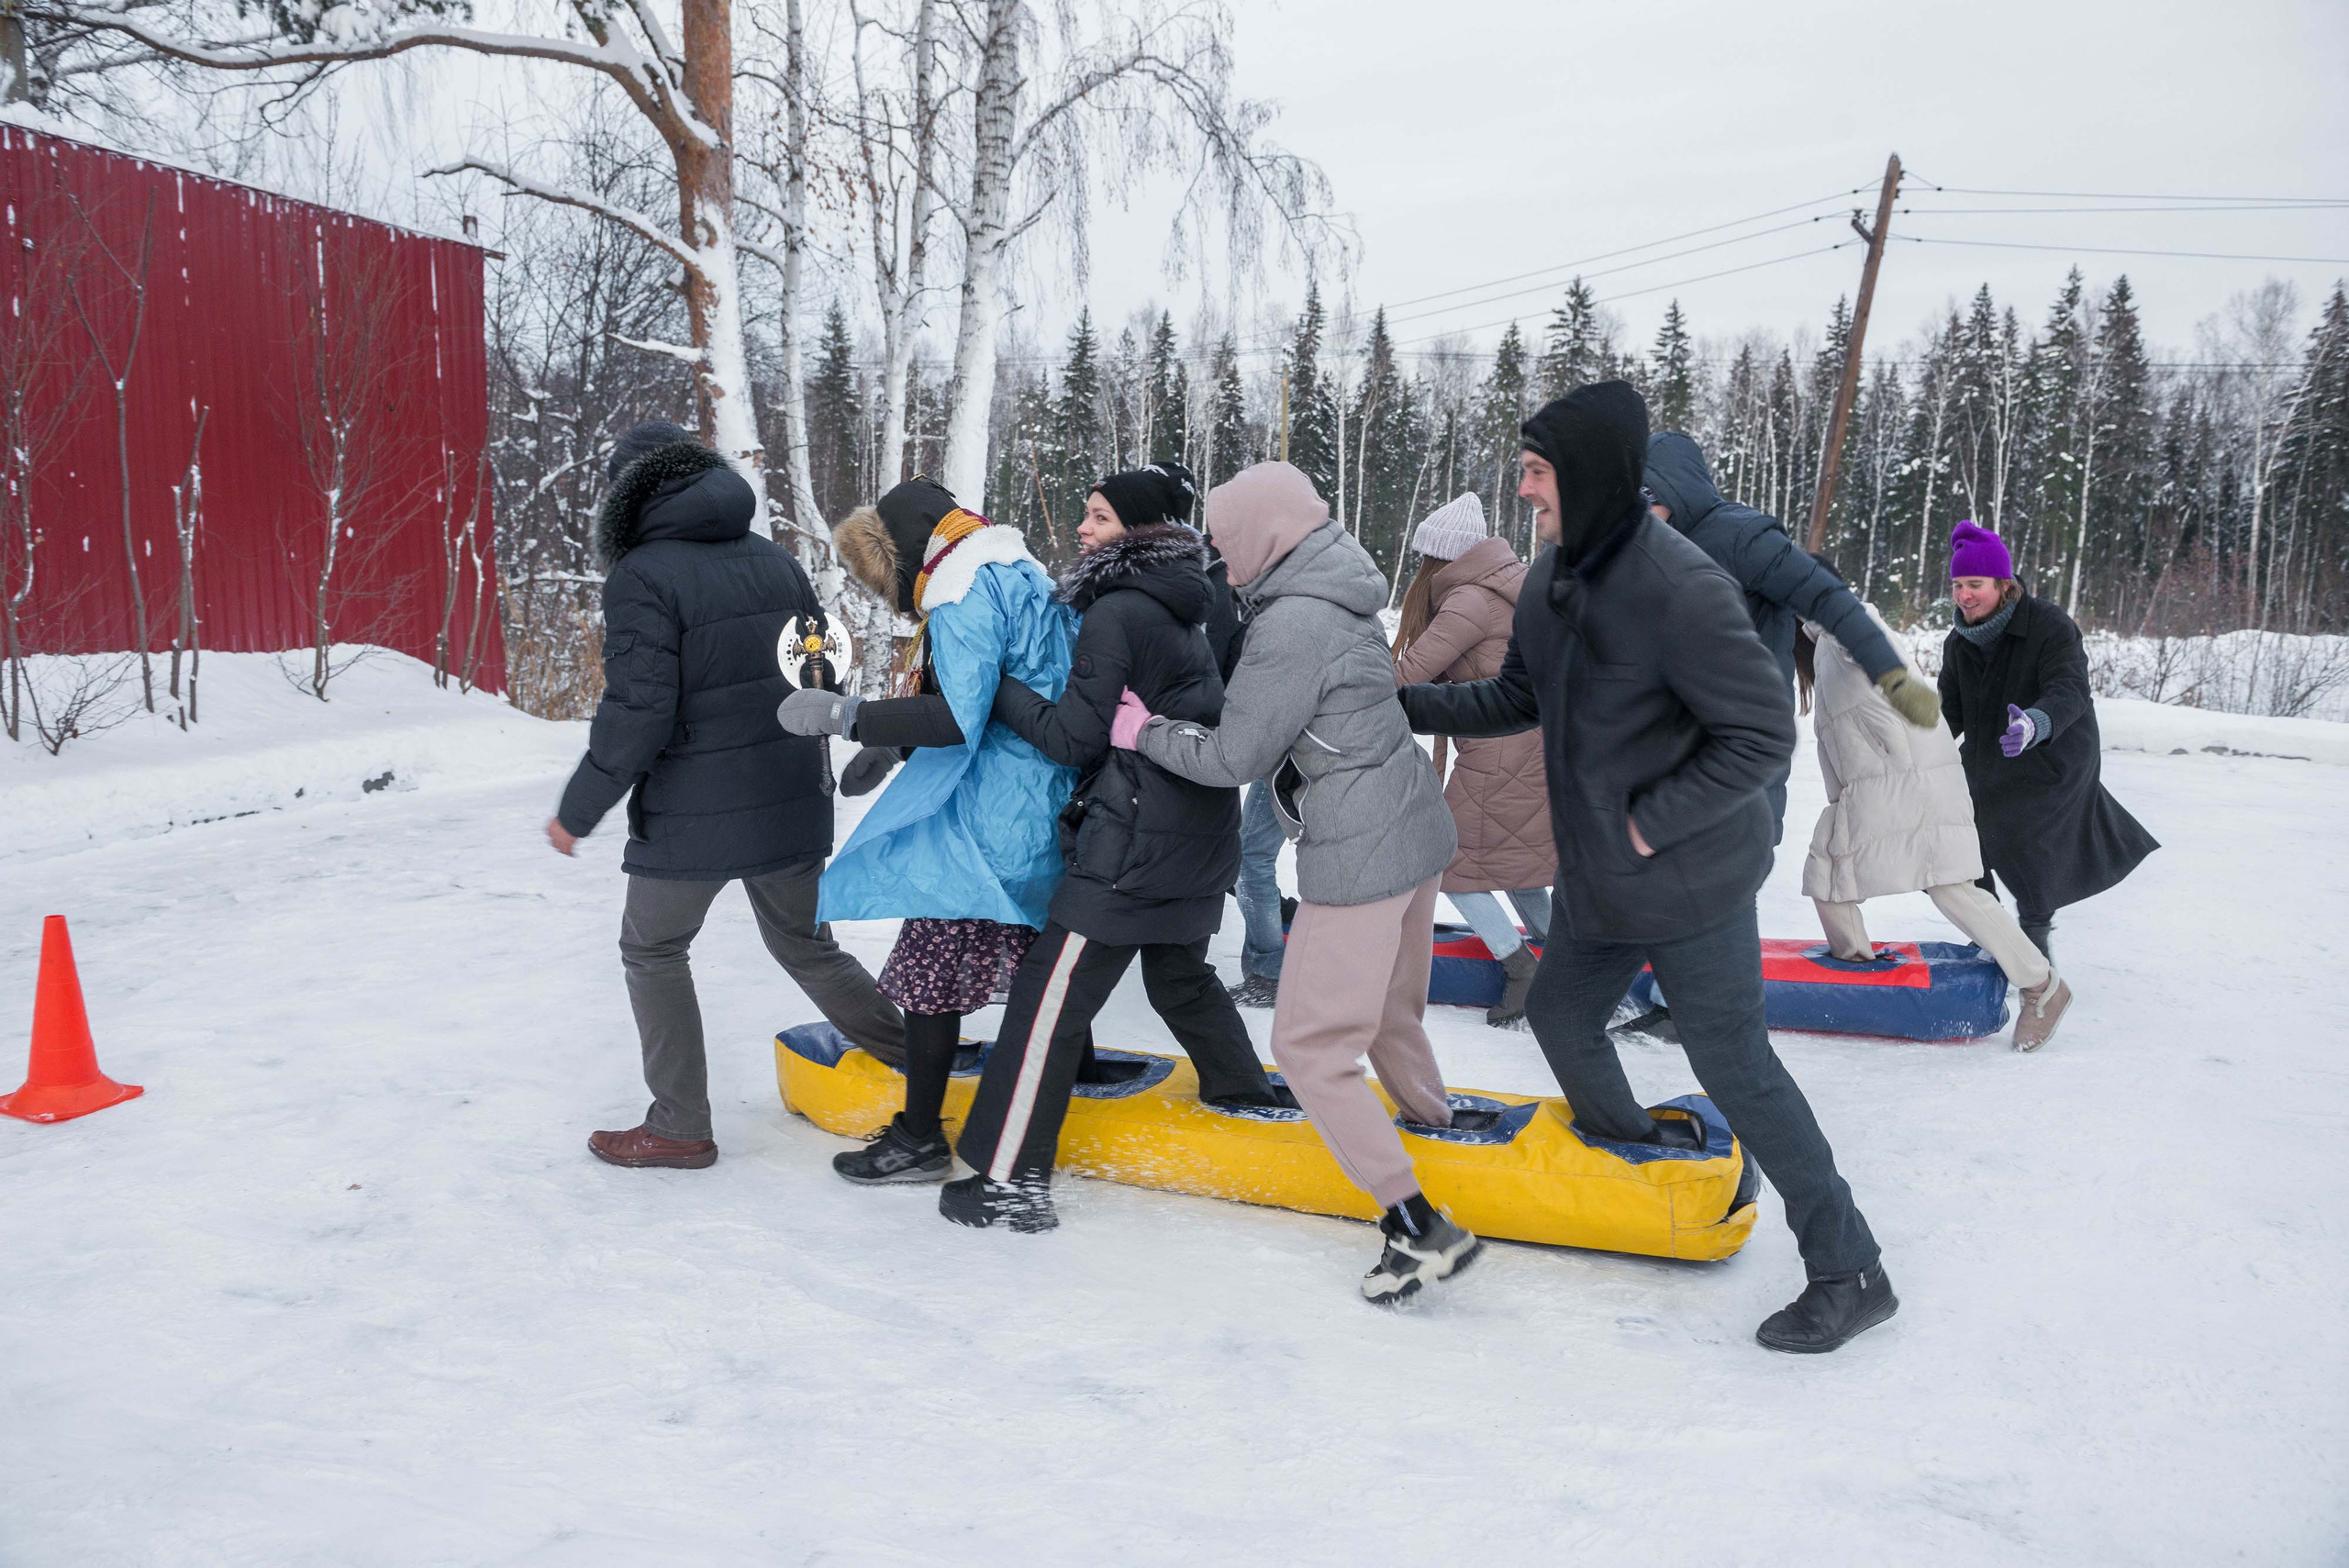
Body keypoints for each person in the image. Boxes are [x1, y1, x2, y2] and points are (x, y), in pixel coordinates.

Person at [1400, 382, 1895, 1354]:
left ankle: (1852, 1268)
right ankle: (1633, 1155)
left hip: (1689, 876)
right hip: (1600, 874)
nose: (1524, 485)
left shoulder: (1682, 582)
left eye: (1538, 468)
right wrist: (1400, 708)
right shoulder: (1551, 577)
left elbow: (1756, 735)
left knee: (1735, 1065)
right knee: (1559, 1012)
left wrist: (1647, 822)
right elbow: (1514, 697)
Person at [1119, 462, 1479, 1306]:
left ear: (1265, 534)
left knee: (1310, 1046)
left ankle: (1417, 1224)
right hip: (1413, 824)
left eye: (1226, 533)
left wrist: (1144, 731)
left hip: (1360, 849)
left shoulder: (1292, 624)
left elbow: (1231, 757)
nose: (1216, 547)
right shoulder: (1341, 586)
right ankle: (1432, 1121)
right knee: (1390, 1007)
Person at [551, 421, 906, 1172]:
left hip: (693, 811)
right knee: (805, 943)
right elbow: (823, 674)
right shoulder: (775, 560)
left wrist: (579, 807)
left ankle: (679, 1124)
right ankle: (921, 1063)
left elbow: (638, 709)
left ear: (629, 496)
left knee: (651, 946)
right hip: (788, 791)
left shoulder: (642, 575)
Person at [946, 464, 1280, 1229]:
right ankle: (1246, 1103)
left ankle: (1008, 1180)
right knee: (1182, 977)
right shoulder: (1197, 601)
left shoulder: (1118, 610)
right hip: (1195, 834)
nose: (1082, 530)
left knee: (1045, 1003)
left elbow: (1072, 738)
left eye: (1097, 517)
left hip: (1128, 845)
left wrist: (1000, 688)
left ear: (1133, 530)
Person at [776, 477, 1076, 1189]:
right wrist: (895, 740)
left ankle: (917, 1137)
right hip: (1035, 799)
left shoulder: (964, 591)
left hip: (987, 815)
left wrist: (849, 716)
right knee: (1046, 964)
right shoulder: (1018, 572)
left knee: (929, 968)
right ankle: (1079, 1082)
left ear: (904, 553)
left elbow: (957, 715)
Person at [1796, 589, 2073, 1050]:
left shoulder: (1847, 621)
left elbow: (1887, 665)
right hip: (1874, 787)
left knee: (1950, 887)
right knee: (1826, 870)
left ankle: (2043, 986)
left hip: (1914, 779)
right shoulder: (1821, 647)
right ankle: (1856, 965)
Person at [1642, 431, 1943, 838]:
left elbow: (1829, 599)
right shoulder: (1643, 554)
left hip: (1741, 748)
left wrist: (1891, 674)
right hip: (1667, 755)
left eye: (1649, 497)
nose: (1640, 513)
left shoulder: (1741, 537)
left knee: (1727, 886)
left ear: (1678, 490)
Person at [1939, 518, 2158, 980]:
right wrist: (1910, 737)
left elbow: (2071, 689)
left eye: (1974, 584)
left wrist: (2036, 723)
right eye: (1957, 585)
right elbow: (1948, 712)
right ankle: (1991, 933)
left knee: (2021, 839)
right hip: (1988, 756)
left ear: (2003, 583)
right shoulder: (1959, 642)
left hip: (2052, 754)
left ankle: (2035, 945)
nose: (1964, 595)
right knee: (1955, 832)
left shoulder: (2049, 626)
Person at [1390, 491, 1555, 1027]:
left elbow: (1407, 675)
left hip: (1497, 749)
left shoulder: (1468, 600)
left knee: (1453, 864)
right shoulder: (1507, 584)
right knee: (1517, 866)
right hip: (1530, 741)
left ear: (1443, 556)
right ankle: (1564, 967)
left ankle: (1522, 971)